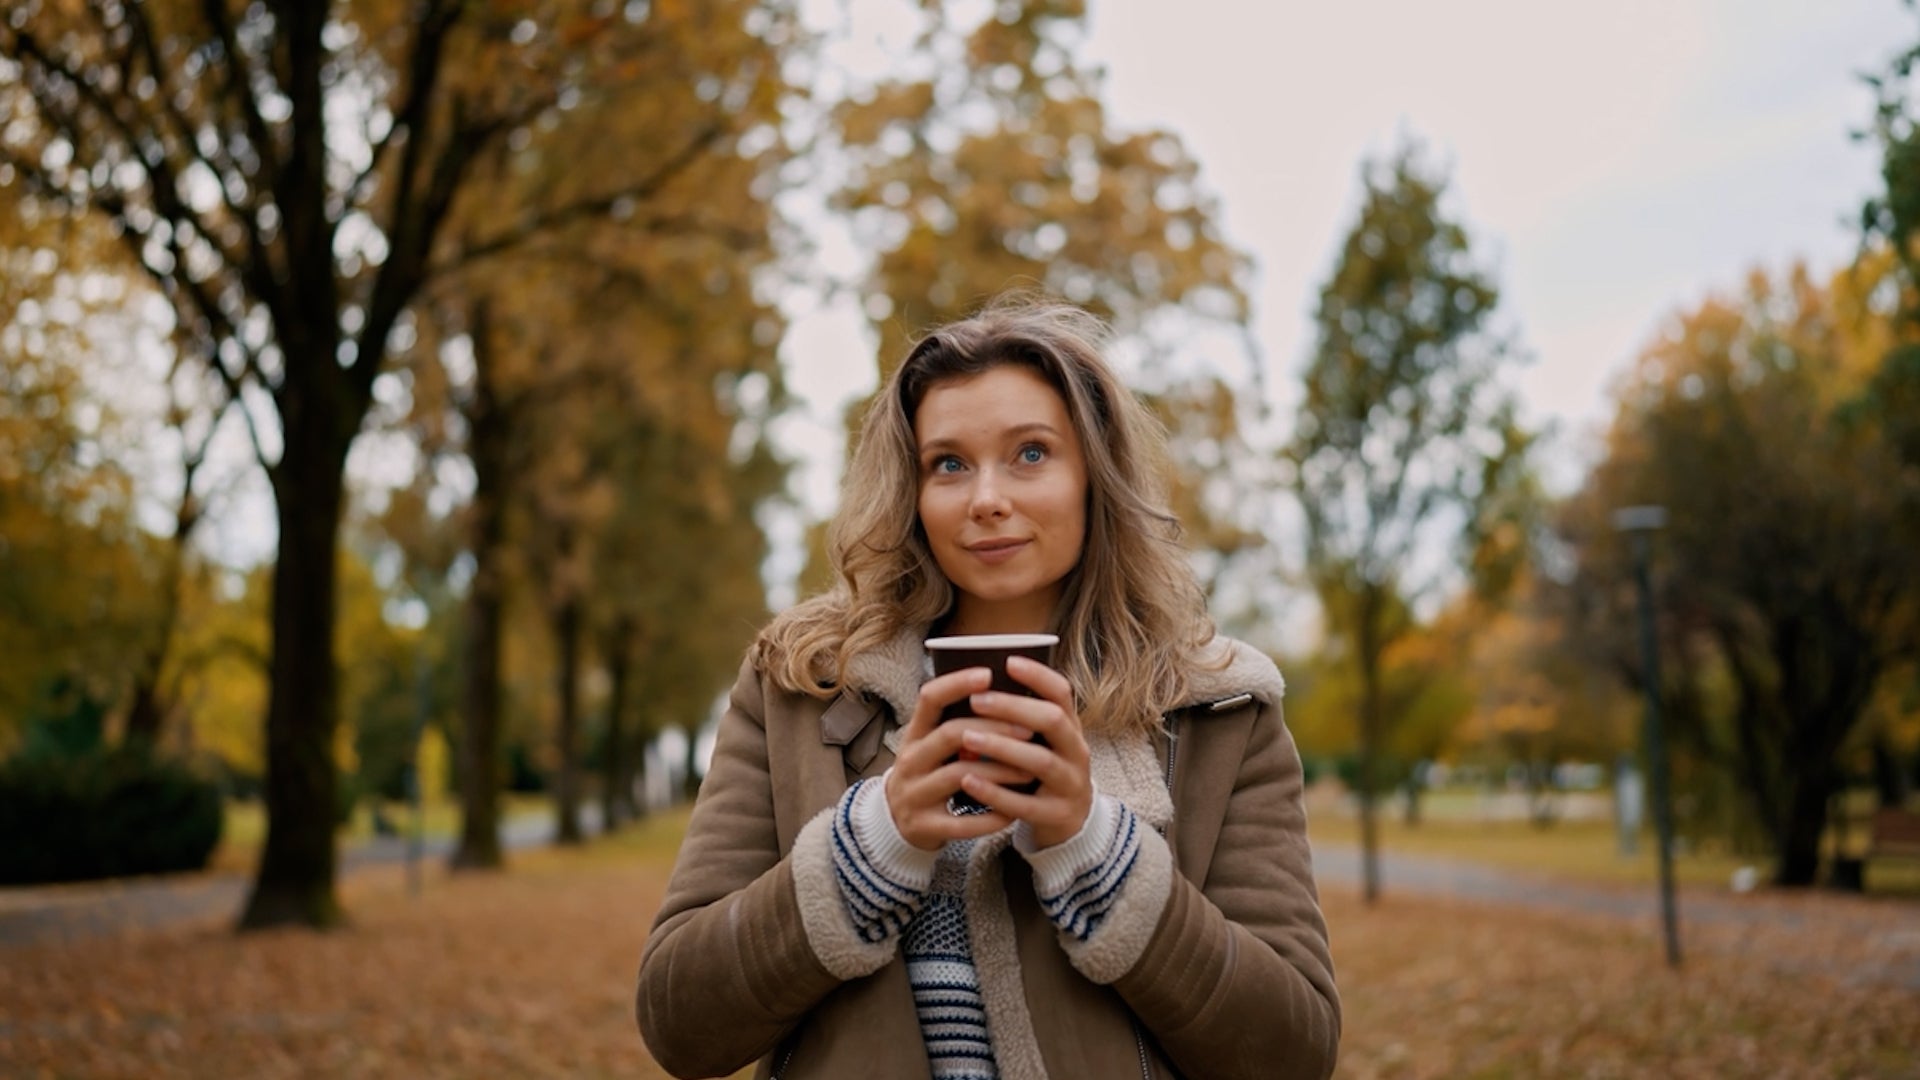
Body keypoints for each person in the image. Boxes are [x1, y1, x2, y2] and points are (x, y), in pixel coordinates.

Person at [635, 293, 1340, 1079]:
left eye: (1031, 453)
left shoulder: (1219, 708)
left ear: (1093, 474)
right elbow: (679, 1023)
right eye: (949, 464)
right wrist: (871, 846)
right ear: (912, 491)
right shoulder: (800, 684)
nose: (987, 499)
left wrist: (1095, 851)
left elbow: (1294, 1052)